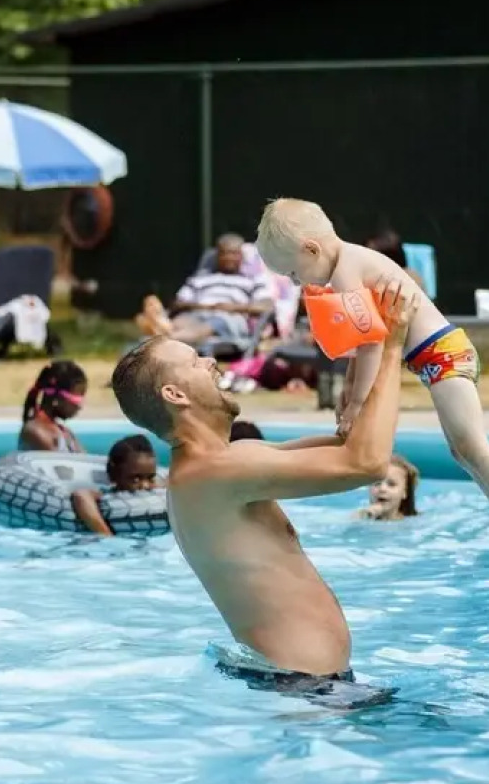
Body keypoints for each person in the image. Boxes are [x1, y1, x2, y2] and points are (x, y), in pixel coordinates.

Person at [109, 283, 417, 683]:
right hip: (302, 689)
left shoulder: (226, 462)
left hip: (305, 684)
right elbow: (368, 464)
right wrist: (392, 346)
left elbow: (350, 444)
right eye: (195, 360)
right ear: (175, 393)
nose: (211, 361)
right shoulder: (216, 472)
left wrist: (365, 347)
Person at [256, 197, 489, 578]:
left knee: (473, 446)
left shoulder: (346, 272)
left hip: (443, 353)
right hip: (437, 355)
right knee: (463, 452)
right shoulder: (350, 263)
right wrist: (349, 394)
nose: (298, 283)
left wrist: (357, 403)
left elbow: (371, 344)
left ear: (311, 249)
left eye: (295, 273)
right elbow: (361, 344)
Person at [135, 234, 275, 345]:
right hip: (197, 313)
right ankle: (164, 330)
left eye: (233, 253)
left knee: (211, 325)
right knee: (180, 321)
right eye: (223, 253)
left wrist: (233, 308)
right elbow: (177, 303)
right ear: (217, 255)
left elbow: (267, 307)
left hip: (230, 318)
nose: (228, 258)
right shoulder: (201, 278)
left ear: (242, 255)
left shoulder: (253, 280)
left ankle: (164, 338)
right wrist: (204, 307)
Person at [70, 434, 161, 536]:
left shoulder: (157, 493)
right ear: (114, 475)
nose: (145, 485)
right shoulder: (107, 495)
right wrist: (106, 535)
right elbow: (80, 495)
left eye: (150, 478)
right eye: (135, 479)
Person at [18, 361, 88, 453]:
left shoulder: (65, 432)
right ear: (57, 398)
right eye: (76, 399)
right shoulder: (35, 432)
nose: (79, 406)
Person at [358, 454, 420, 520]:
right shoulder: (361, 516)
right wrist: (366, 515)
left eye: (391, 484)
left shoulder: (412, 521)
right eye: (377, 483)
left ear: (405, 492)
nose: (382, 489)